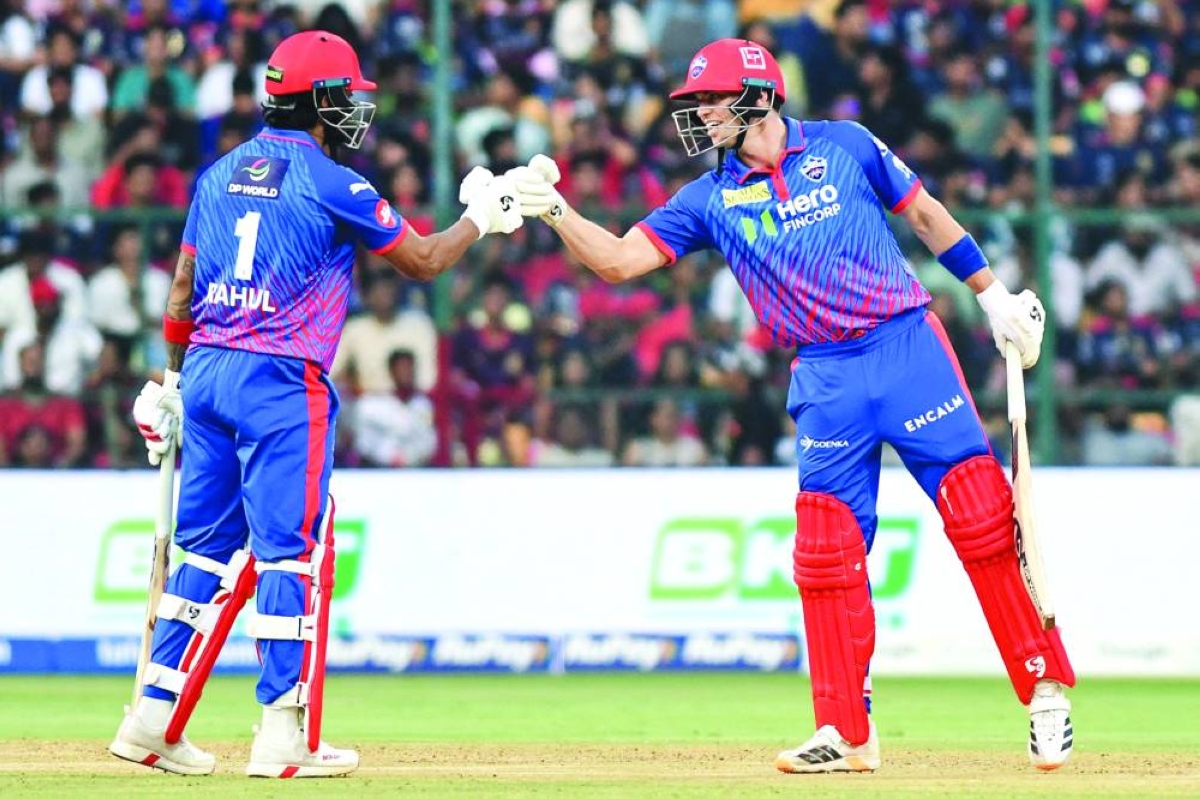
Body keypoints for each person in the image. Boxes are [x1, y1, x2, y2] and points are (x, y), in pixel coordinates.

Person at [503, 38, 1075, 773]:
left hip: (906, 348)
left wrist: (992, 296)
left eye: (710, 99)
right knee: (826, 552)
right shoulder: (709, 197)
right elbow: (617, 261)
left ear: (758, 96)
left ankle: (1045, 691)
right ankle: (845, 731)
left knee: (982, 517)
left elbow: (927, 216)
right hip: (825, 375)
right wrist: (553, 210)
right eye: (697, 103)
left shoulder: (845, 145)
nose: (700, 114)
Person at [108, 30, 523, 778]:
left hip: (204, 369)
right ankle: (281, 734)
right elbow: (423, 260)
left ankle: (151, 719)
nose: (358, 109)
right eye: (349, 96)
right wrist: (482, 219)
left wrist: (169, 381)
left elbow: (180, 293)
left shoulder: (219, 173)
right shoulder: (331, 180)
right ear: (320, 101)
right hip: (280, 381)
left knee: (201, 553)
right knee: (289, 555)